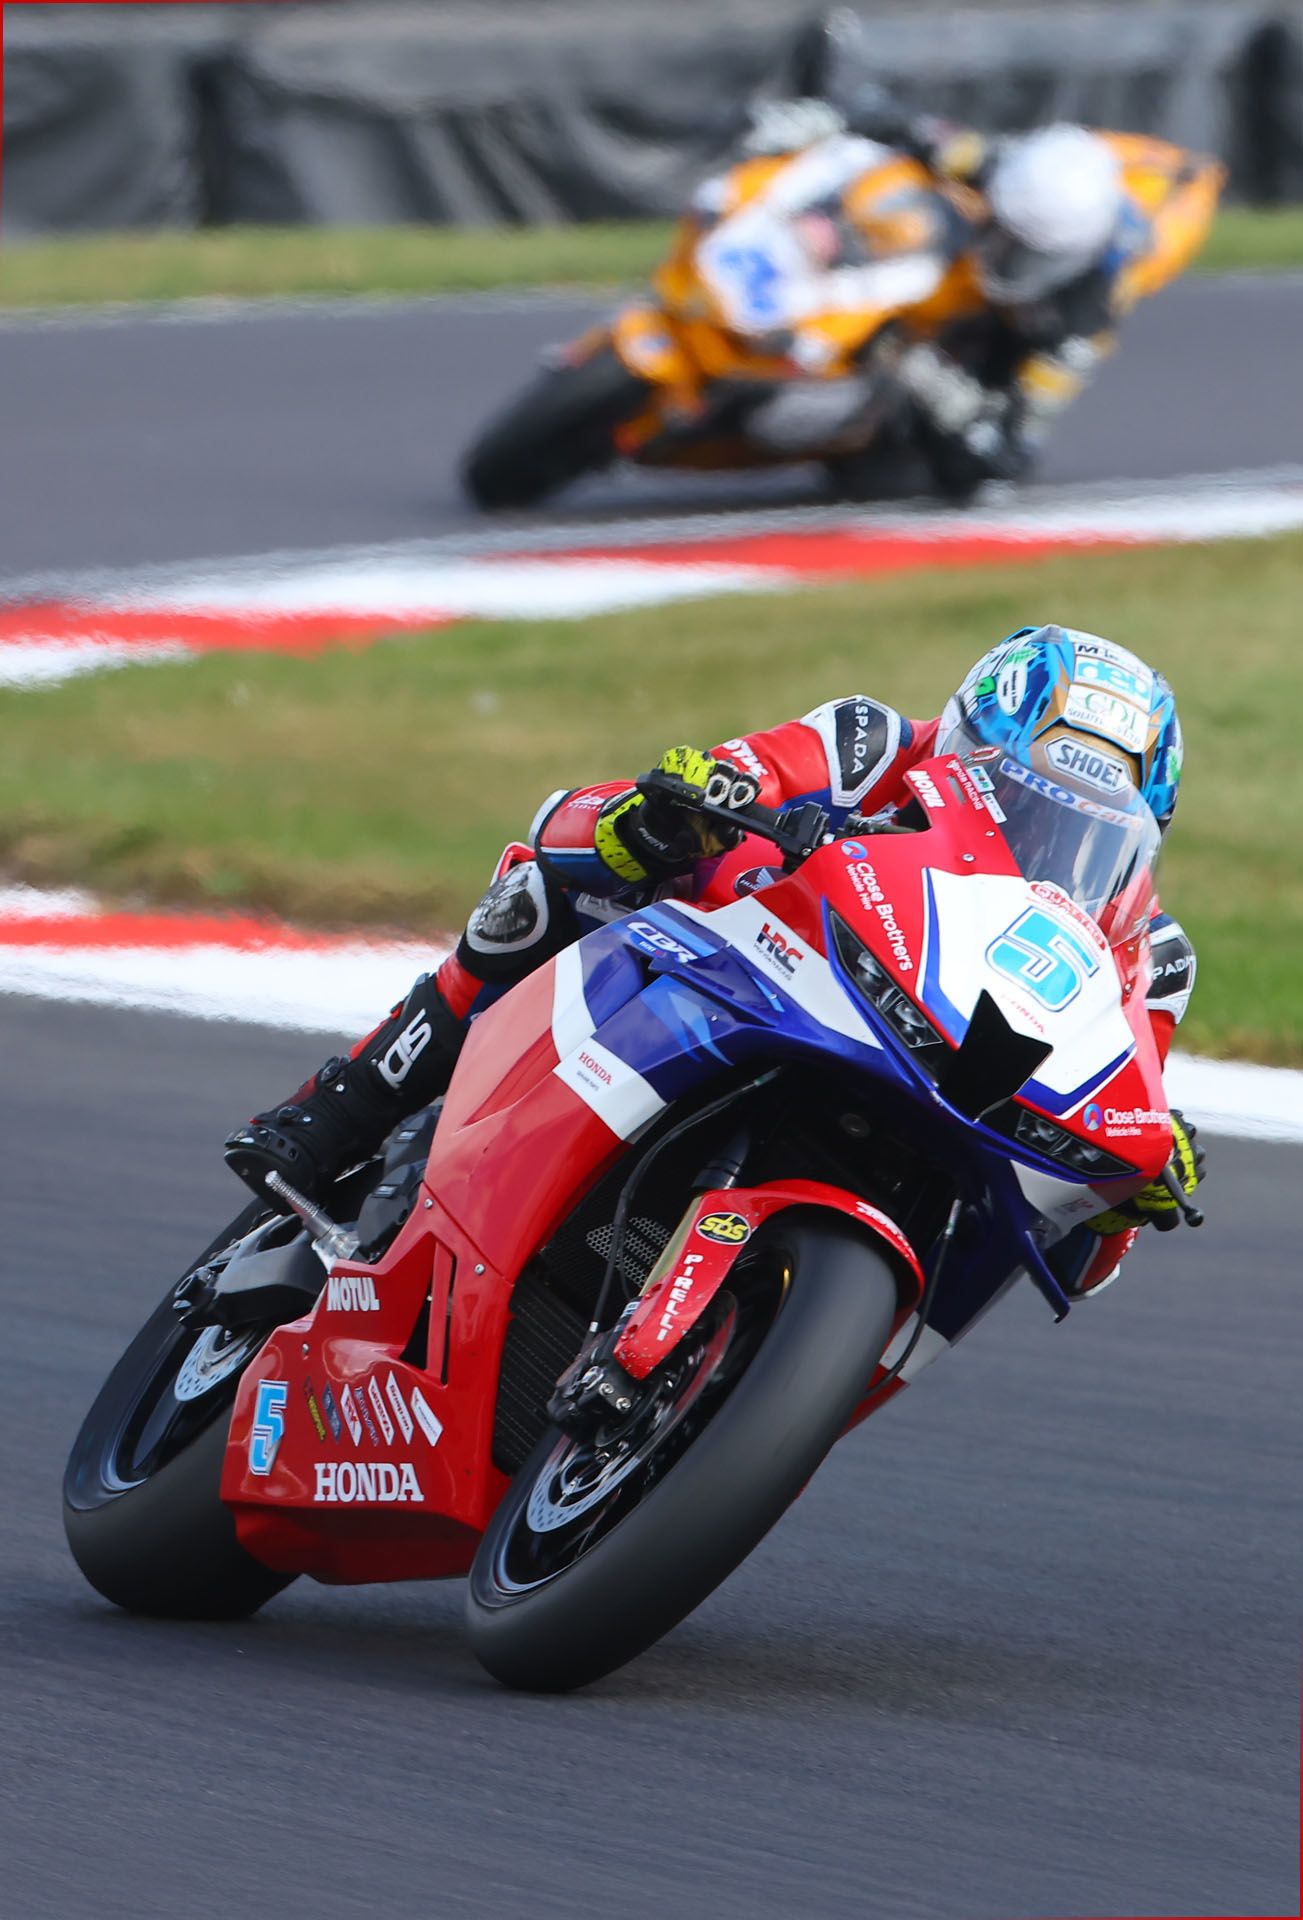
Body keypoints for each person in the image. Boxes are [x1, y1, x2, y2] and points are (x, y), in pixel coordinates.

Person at [226, 625, 1205, 1300]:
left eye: (1085, 831)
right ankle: (346, 1106)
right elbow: (746, 769)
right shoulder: (872, 743)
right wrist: (697, 805)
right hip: (736, 959)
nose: (1040, 839)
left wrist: (1133, 1198)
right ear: (963, 739)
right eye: (1018, 797)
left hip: (926, 1077)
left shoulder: (1153, 958)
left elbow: (1099, 1184)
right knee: (584, 854)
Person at [699, 102, 1224, 499]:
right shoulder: (1006, 172)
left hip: (1126, 229)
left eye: (1019, 249)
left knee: (945, 467)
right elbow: (913, 130)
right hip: (1087, 174)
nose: (998, 250)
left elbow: (1013, 449)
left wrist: (939, 390)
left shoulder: (1084, 317)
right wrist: (821, 122)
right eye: (998, 230)